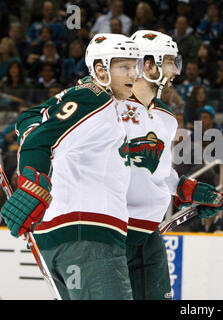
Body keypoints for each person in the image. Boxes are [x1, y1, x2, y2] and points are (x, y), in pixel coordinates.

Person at [1, 33, 141, 300]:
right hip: (89, 238)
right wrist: (31, 183)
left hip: (61, 239)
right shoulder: (96, 98)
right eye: (124, 66)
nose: (133, 73)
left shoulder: (77, 95)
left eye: (134, 66)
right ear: (101, 69)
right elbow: (40, 140)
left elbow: (28, 120)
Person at [120, 30, 223, 300]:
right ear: (148, 64)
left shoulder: (166, 117)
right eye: (170, 62)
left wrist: (187, 190)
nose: (175, 71)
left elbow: (160, 172)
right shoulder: (111, 108)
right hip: (112, 231)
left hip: (149, 232)